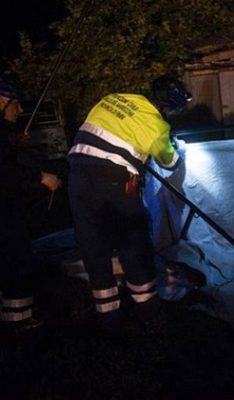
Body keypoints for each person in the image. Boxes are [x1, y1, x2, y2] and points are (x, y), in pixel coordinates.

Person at [67, 75, 191, 331]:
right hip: (113, 181)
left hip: (77, 176)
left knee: (93, 244)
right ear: (169, 107)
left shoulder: (113, 99)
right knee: (133, 242)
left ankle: (108, 318)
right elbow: (169, 162)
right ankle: (148, 310)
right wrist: (177, 152)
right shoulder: (156, 125)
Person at [0, 75, 61, 332]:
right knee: (15, 257)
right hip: (5, 212)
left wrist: (13, 141)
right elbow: (5, 172)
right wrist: (41, 177)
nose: (20, 109)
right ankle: (18, 318)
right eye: (15, 103)